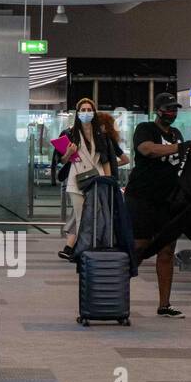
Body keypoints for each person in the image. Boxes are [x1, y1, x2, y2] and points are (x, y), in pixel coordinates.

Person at [125, 93, 191, 318]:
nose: (172, 113)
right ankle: (117, 293)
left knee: (167, 250)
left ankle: (164, 304)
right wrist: (181, 148)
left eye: (175, 110)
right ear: (157, 110)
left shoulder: (176, 134)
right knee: (139, 247)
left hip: (167, 201)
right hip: (141, 199)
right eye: (168, 109)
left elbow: (180, 162)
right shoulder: (145, 128)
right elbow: (147, 149)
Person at [57, 98, 124, 261]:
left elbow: (106, 160)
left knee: (97, 214)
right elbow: (62, 160)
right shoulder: (70, 134)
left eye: (89, 110)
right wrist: (68, 152)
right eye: (83, 110)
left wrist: (109, 182)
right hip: (77, 180)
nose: (86, 113)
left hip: (97, 180)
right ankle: (83, 251)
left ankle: (90, 247)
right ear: (78, 113)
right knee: (81, 217)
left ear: (93, 112)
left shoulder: (101, 135)